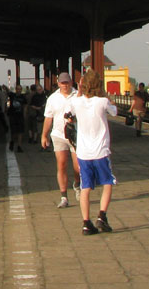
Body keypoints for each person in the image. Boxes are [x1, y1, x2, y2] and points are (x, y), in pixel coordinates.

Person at [66, 69, 118, 235]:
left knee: (85, 187)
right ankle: (102, 216)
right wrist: (106, 95)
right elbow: (114, 111)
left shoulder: (77, 102)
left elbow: (69, 112)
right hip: (101, 151)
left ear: (83, 85)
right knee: (107, 183)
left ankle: (86, 223)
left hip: (83, 153)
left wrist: (79, 91)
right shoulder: (102, 102)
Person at [41, 72, 81, 208]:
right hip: (58, 134)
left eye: (67, 82)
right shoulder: (53, 98)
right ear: (58, 84)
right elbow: (48, 118)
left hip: (76, 135)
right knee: (61, 164)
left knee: (78, 166)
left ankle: (77, 183)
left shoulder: (78, 96)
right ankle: (64, 196)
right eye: (62, 83)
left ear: (71, 82)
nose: (65, 85)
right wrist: (44, 135)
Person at [6, 84, 26, 152]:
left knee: (20, 132)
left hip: (20, 116)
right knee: (14, 132)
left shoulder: (23, 97)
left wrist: (24, 115)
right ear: (16, 89)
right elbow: (7, 92)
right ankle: (12, 141)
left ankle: (19, 146)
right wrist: (5, 88)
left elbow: (25, 106)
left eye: (20, 89)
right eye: (18, 89)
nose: (19, 90)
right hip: (13, 116)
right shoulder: (12, 95)